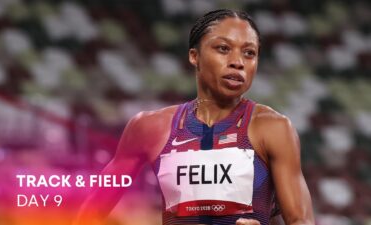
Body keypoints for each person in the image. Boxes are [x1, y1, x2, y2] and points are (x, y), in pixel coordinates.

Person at [75, 9, 314, 225]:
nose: (238, 62)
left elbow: (301, 221)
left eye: (249, 53)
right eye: (223, 48)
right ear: (194, 56)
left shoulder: (273, 128)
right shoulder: (149, 128)